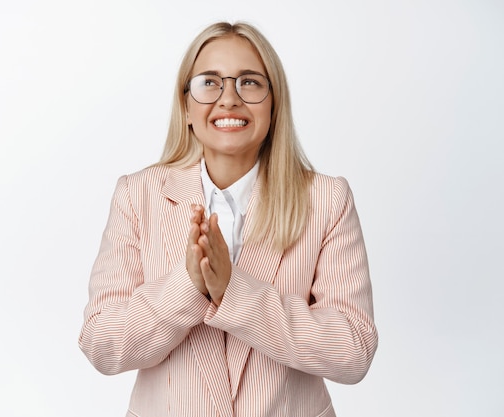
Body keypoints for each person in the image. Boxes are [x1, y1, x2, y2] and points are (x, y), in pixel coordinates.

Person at [79, 21, 378, 417]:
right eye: (209, 83)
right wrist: (188, 285)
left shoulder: (326, 200)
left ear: (274, 104)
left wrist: (233, 291)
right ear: (186, 105)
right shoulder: (138, 195)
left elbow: (353, 350)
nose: (229, 99)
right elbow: (102, 344)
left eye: (250, 83)